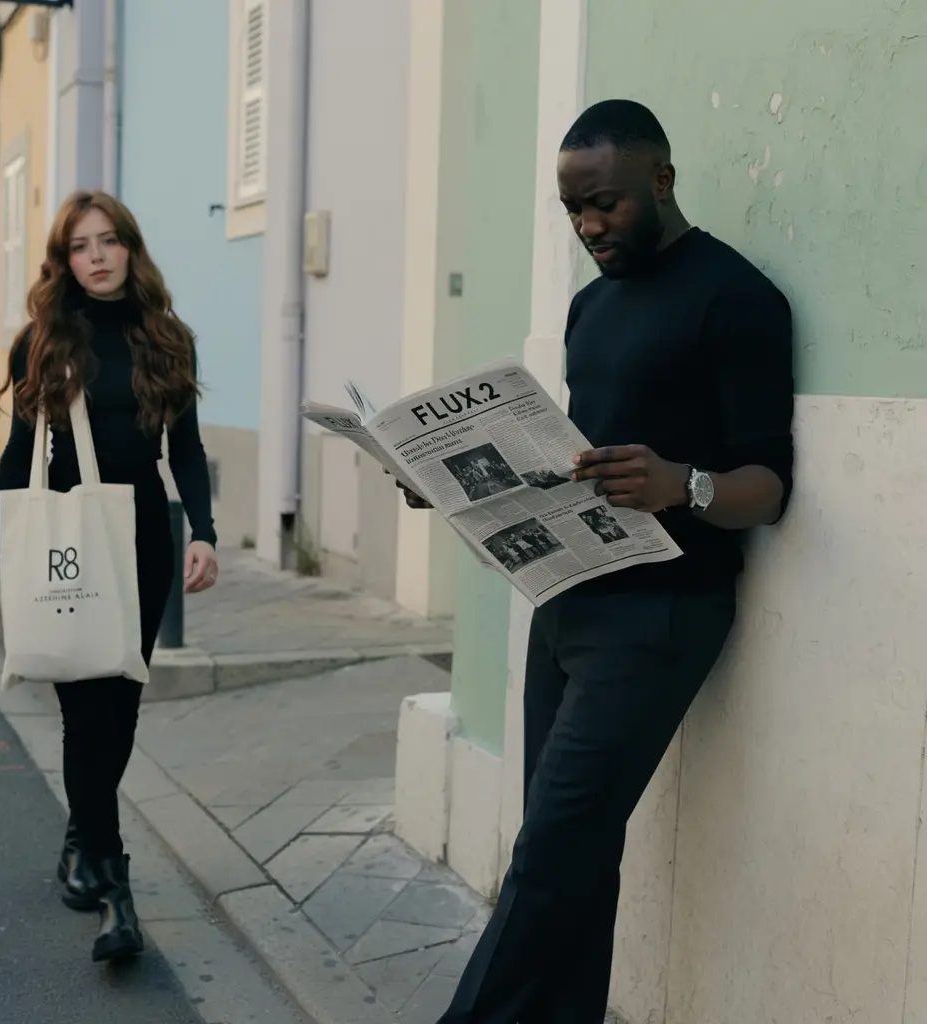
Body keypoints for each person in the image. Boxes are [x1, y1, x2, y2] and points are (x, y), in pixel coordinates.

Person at [399, 99, 795, 1022]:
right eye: (573, 211)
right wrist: (448, 482)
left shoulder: (736, 298)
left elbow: (769, 486)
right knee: (576, 856)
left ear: (662, 178)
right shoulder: (589, 307)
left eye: (605, 205)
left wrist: (682, 485)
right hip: (569, 599)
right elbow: (570, 463)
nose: (588, 228)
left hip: (664, 614)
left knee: (546, 854)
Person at [0, 190, 220, 964]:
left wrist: (203, 531)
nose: (99, 257)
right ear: (64, 261)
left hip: (141, 542)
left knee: (121, 712)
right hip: (63, 548)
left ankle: (83, 832)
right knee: (85, 716)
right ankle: (115, 885)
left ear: (132, 250)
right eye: (82, 246)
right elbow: (18, 458)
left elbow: (190, 448)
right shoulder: (43, 342)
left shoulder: (166, 340)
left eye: (111, 242)